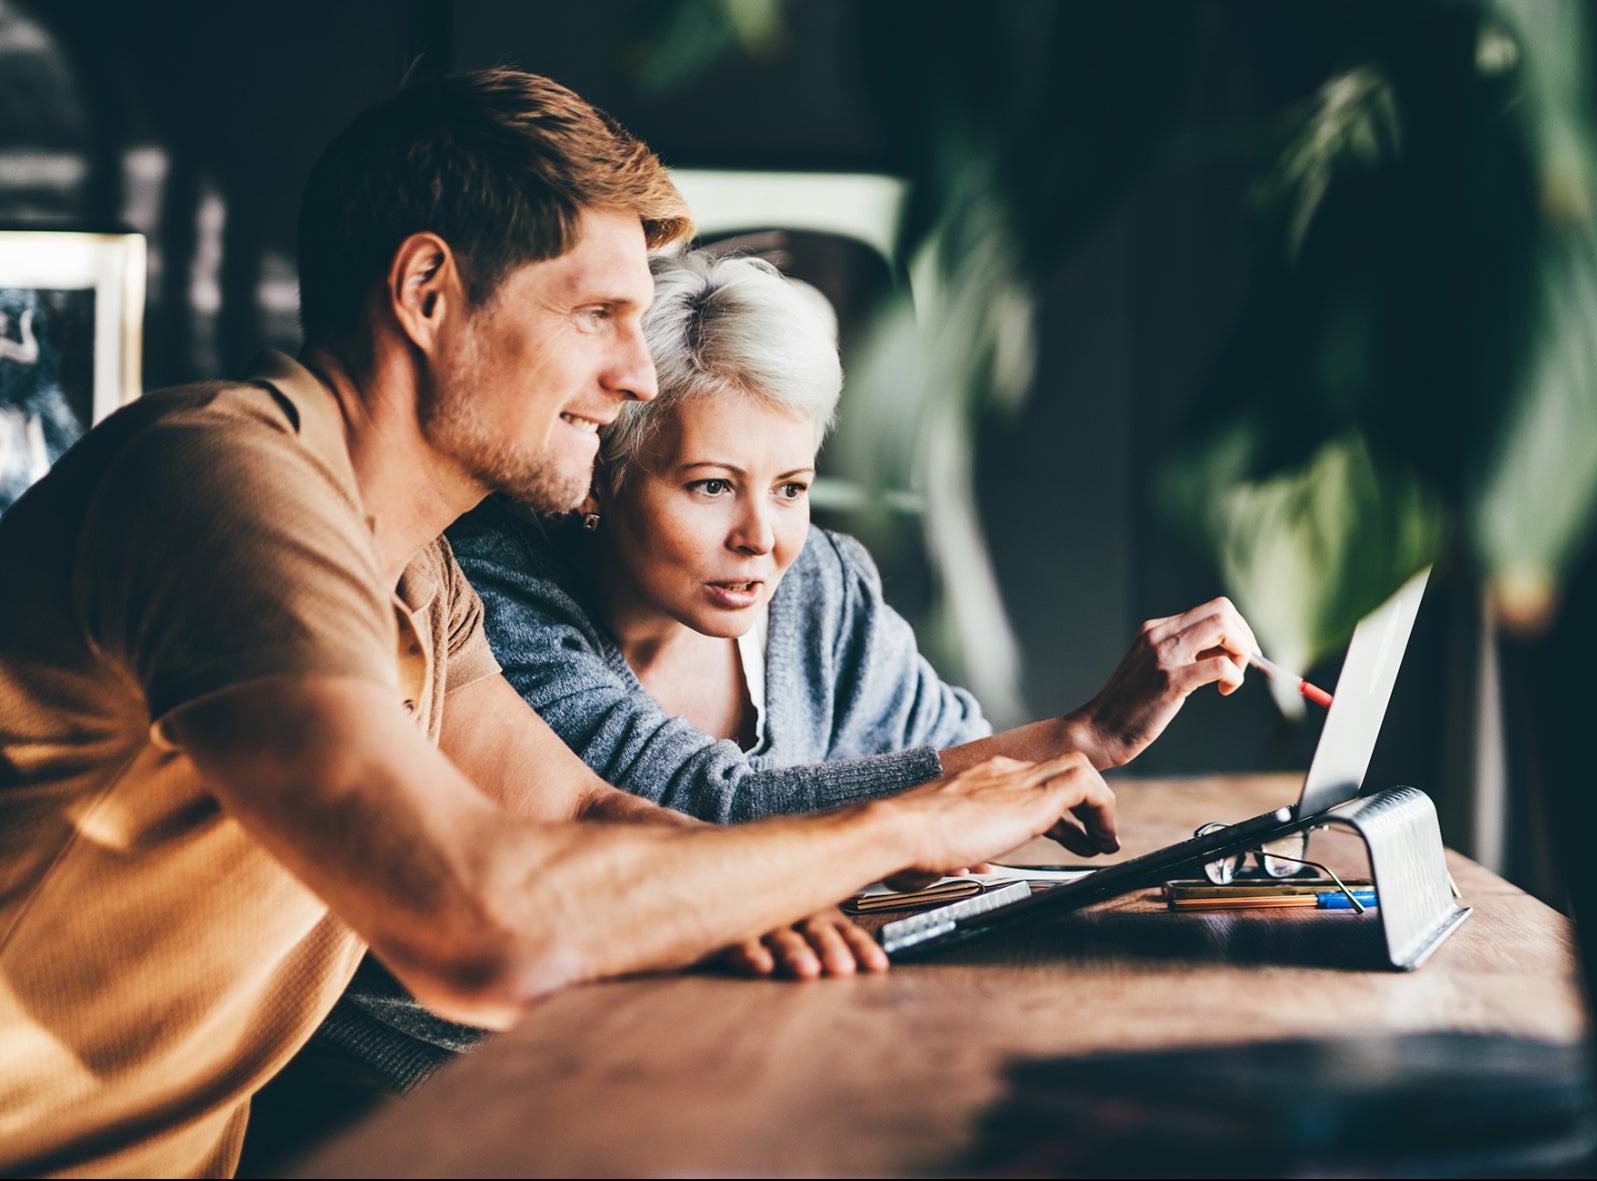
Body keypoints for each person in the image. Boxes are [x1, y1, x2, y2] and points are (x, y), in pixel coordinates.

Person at [0, 70, 1150, 1179]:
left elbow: (583, 808)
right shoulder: (224, 484)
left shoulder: (415, 578)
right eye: (598, 314)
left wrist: (742, 896)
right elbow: (481, 926)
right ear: (427, 293)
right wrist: (906, 827)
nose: (636, 376)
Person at [306, 248, 1263, 1088]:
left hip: (689, 1056)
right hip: (446, 1071)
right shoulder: (490, 579)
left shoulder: (820, 589)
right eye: (711, 486)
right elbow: (698, 814)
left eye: (793, 487)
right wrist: (1076, 737)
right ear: (604, 477)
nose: (762, 540)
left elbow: (965, 761)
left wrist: (1034, 777)